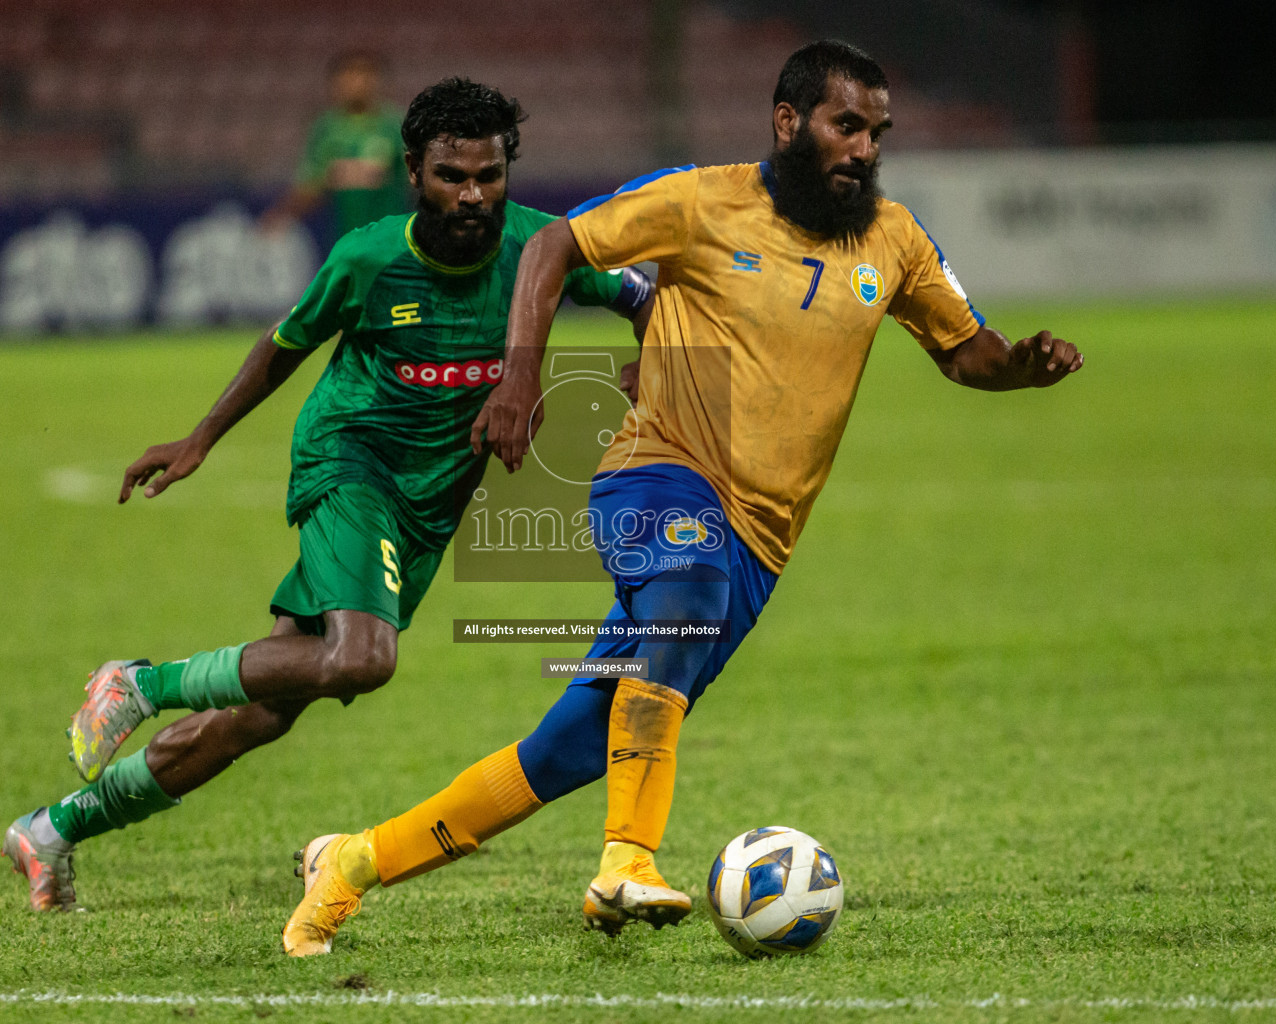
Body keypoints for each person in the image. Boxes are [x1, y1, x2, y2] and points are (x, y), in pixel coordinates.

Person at [279, 39, 1084, 957]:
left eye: (876, 131)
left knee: (567, 752)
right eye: (845, 125)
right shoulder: (701, 199)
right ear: (790, 123)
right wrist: (518, 379)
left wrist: (1019, 367)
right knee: (686, 590)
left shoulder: (894, 240)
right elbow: (552, 244)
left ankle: (349, 864)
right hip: (654, 473)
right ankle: (628, 859)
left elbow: (963, 348)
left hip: (762, 542)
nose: (863, 148)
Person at [0, 78, 654, 911]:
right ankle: (139, 683)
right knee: (362, 658)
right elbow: (284, 345)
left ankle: (49, 832)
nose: (474, 195)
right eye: (453, 175)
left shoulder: (540, 251)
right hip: (351, 464)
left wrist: (651, 362)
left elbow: (645, 293)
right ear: (413, 171)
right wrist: (201, 437)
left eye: (490, 176)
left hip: (429, 502)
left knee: (264, 713)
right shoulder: (369, 258)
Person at [259, 51, 410, 239]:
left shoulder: (395, 125)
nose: (357, 81)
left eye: (364, 73)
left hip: (387, 239)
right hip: (339, 238)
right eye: (349, 74)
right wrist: (281, 215)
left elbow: (416, 181)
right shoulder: (325, 129)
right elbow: (310, 184)